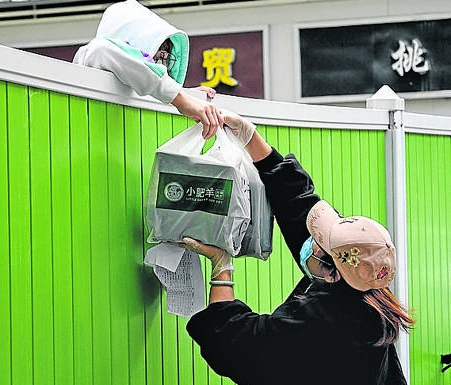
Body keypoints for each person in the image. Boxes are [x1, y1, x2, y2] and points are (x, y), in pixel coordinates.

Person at [179, 109, 415, 385]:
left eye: (319, 243)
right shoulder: (367, 289)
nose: (311, 241)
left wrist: (222, 266)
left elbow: (235, 344)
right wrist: (248, 134)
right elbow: (298, 205)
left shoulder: (324, 323)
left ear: (332, 271)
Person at [73, 0, 222, 139]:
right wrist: (181, 99)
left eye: (167, 59)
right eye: (157, 56)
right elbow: (103, 50)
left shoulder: (137, 81)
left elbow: (144, 79)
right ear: (133, 41)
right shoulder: (91, 55)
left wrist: (187, 96)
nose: (162, 67)